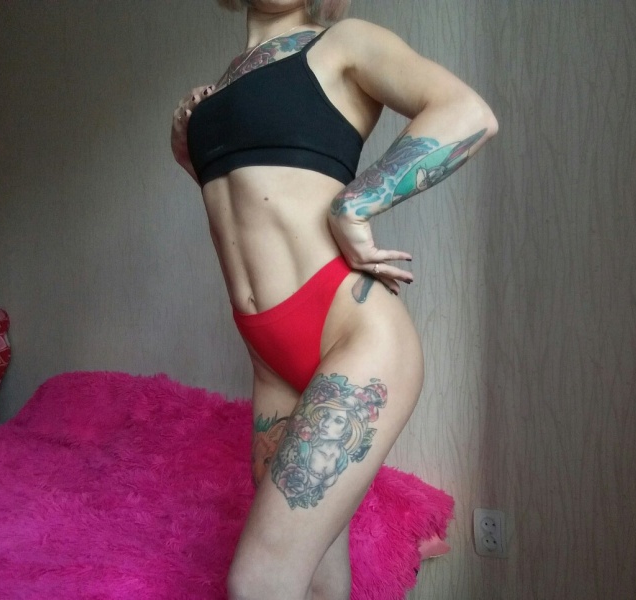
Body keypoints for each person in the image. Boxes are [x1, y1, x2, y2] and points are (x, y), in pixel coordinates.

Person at [170, 1, 497, 598]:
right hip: (270, 362)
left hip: (352, 334)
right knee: (318, 577)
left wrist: (358, 203)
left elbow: (467, 111)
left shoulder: (344, 42)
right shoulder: (225, 81)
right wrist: (191, 145)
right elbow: (250, 197)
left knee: (257, 580)